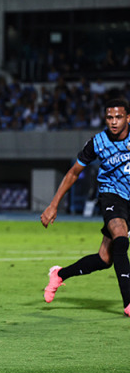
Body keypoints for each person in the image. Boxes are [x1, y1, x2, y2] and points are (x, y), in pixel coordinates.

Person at [41, 98, 130, 316]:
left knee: (105, 259)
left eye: (119, 117)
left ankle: (60, 275)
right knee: (120, 235)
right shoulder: (97, 142)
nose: (114, 122)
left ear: (128, 118)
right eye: (109, 117)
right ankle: (128, 303)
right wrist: (53, 205)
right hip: (111, 196)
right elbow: (73, 173)